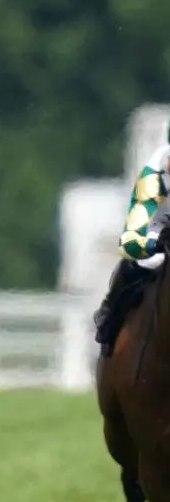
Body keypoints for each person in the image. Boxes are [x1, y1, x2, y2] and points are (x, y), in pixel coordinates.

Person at [94, 130, 170, 357]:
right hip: (158, 230)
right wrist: (152, 246)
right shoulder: (154, 174)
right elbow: (131, 239)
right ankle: (110, 321)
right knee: (138, 264)